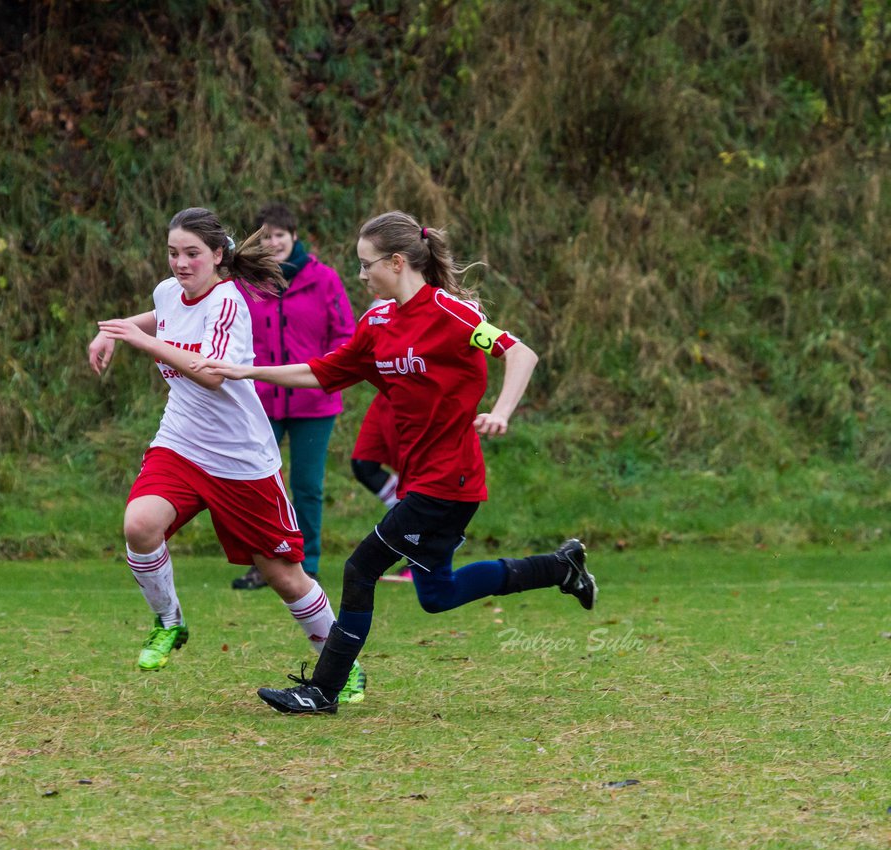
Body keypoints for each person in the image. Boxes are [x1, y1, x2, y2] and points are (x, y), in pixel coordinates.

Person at [193, 210, 596, 715]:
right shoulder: (378, 322)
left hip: (451, 479)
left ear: (397, 261)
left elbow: (521, 355)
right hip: (422, 479)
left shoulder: (451, 313)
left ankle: (322, 690)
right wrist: (245, 371)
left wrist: (501, 411)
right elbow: (324, 372)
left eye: (367, 265)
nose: (360, 276)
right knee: (438, 593)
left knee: (360, 568)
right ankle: (559, 568)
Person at [87, 206, 366, 703]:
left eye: (192, 253)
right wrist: (112, 331)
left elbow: (213, 373)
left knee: (283, 575)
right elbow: (161, 315)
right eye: (173, 252)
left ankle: (342, 663)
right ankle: (170, 622)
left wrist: (144, 342)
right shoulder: (169, 291)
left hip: (240, 459)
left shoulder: (230, 303)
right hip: (181, 444)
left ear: (218, 255)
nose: (180, 263)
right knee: (139, 525)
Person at [230, 203, 356, 590]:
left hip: (313, 402)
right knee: (258, 485)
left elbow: (346, 335)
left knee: (307, 484)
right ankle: (264, 565)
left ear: (294, 237)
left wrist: (325, 374)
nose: (274, 242)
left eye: (280, 235)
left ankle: (308, 563)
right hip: (259, 401)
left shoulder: (325, 280)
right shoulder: (243, 283)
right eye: (266, 236)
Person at [350, 388, 414, 582]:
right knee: (363, 464)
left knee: (414, 473)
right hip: (387, 392)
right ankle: (414, 518)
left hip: (414, 391)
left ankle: (419, 561)